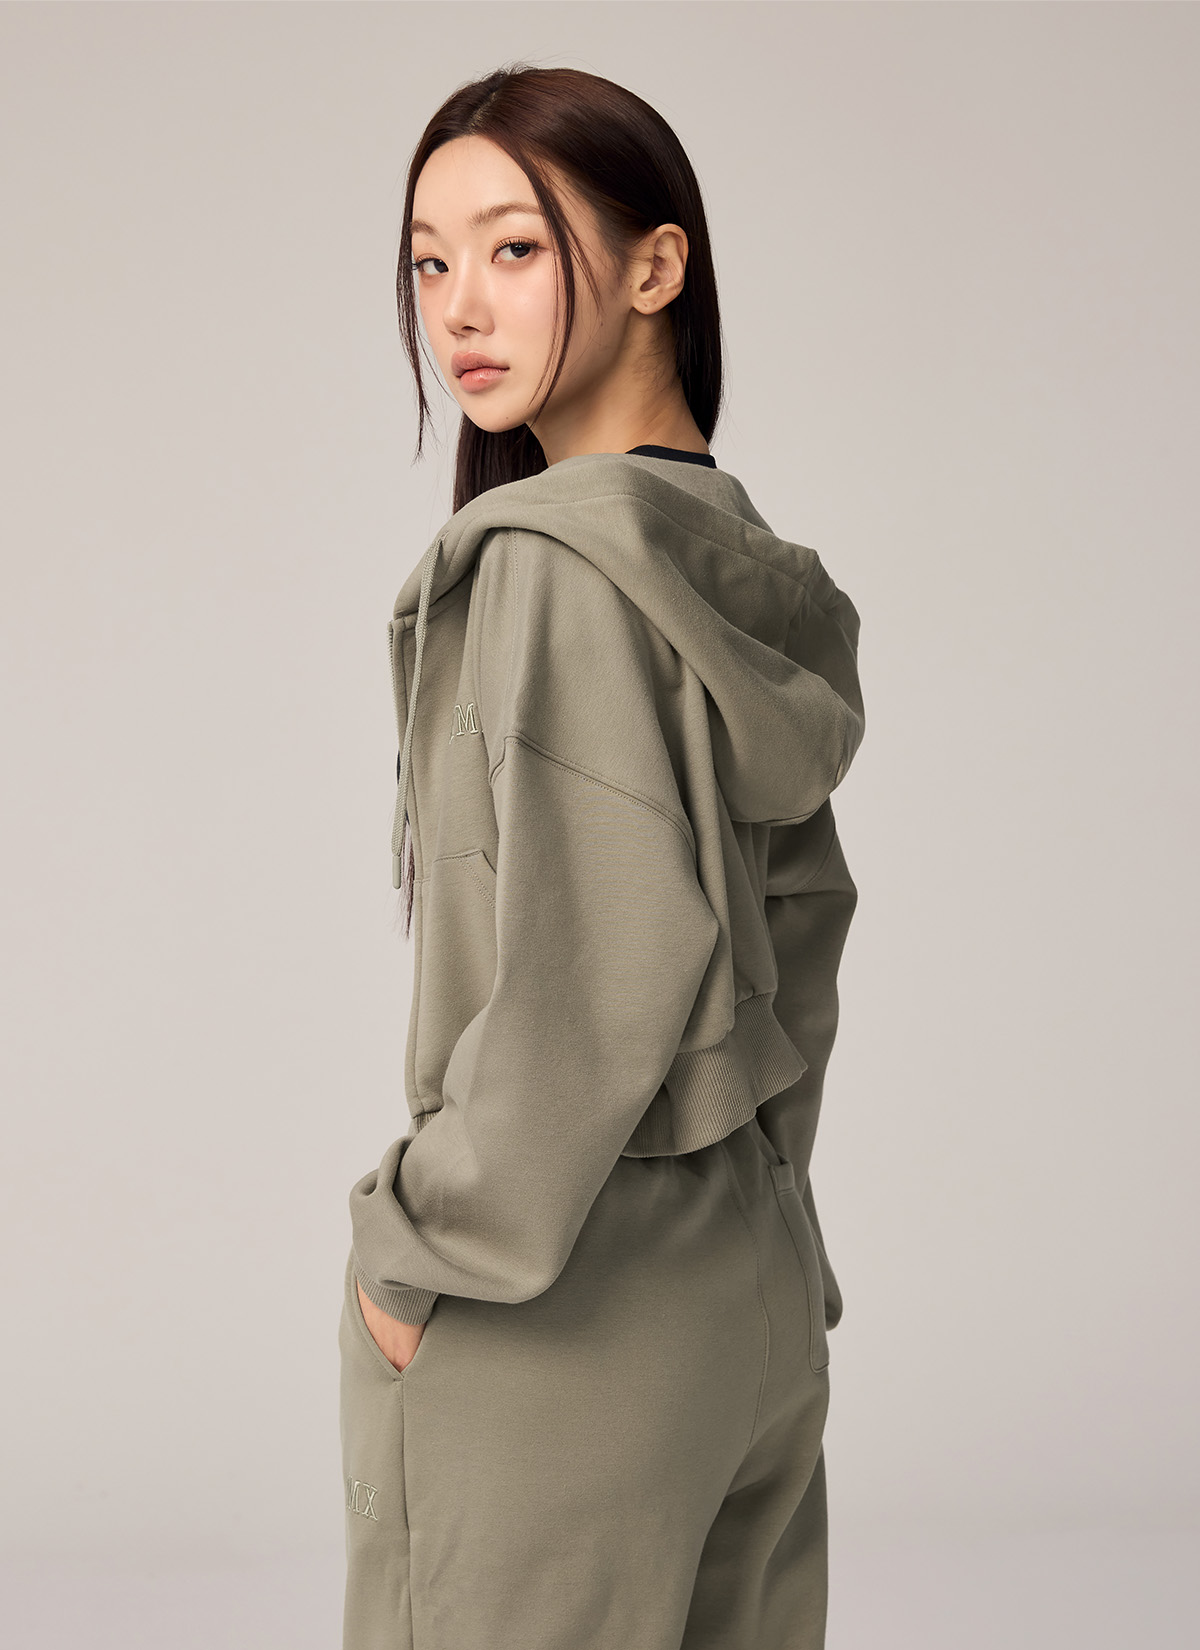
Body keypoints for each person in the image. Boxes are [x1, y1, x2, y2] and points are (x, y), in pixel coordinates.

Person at [339, 62, 865, 1650]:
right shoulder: (742, 577)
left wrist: (412, 1258)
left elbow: (590, 991)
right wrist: (765, 1201)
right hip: (747, 1293)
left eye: (515, 247)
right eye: (430, 260)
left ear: (656, 266)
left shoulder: (554, 568)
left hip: (557, 1315)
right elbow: (806, 926)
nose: (459, 306)